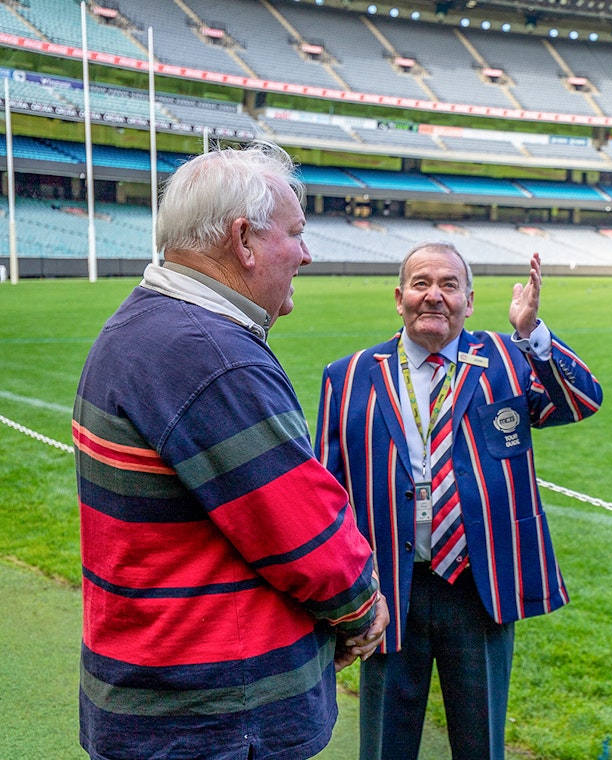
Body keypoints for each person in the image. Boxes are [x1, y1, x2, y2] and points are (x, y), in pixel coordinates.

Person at [72, 140, 388, 760]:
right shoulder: (212, 356)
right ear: (244, 242)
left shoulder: (141, 324)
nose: (306, 253)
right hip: (213, 710)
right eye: (295, 233)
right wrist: (363, 611)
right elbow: (306, 534)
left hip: (153, 691)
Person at [315, 242, 603, 760]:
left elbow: (581, 400)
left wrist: (531, 333)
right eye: (421, 283)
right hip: (388, 590)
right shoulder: (349, 375)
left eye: (449, 285)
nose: (434, 296)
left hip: (479, 585)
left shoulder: (505, 358)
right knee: (385, 742)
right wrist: (344, 592)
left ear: (469, 301)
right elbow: (328, 498)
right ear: (399, 297)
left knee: (481, 740)